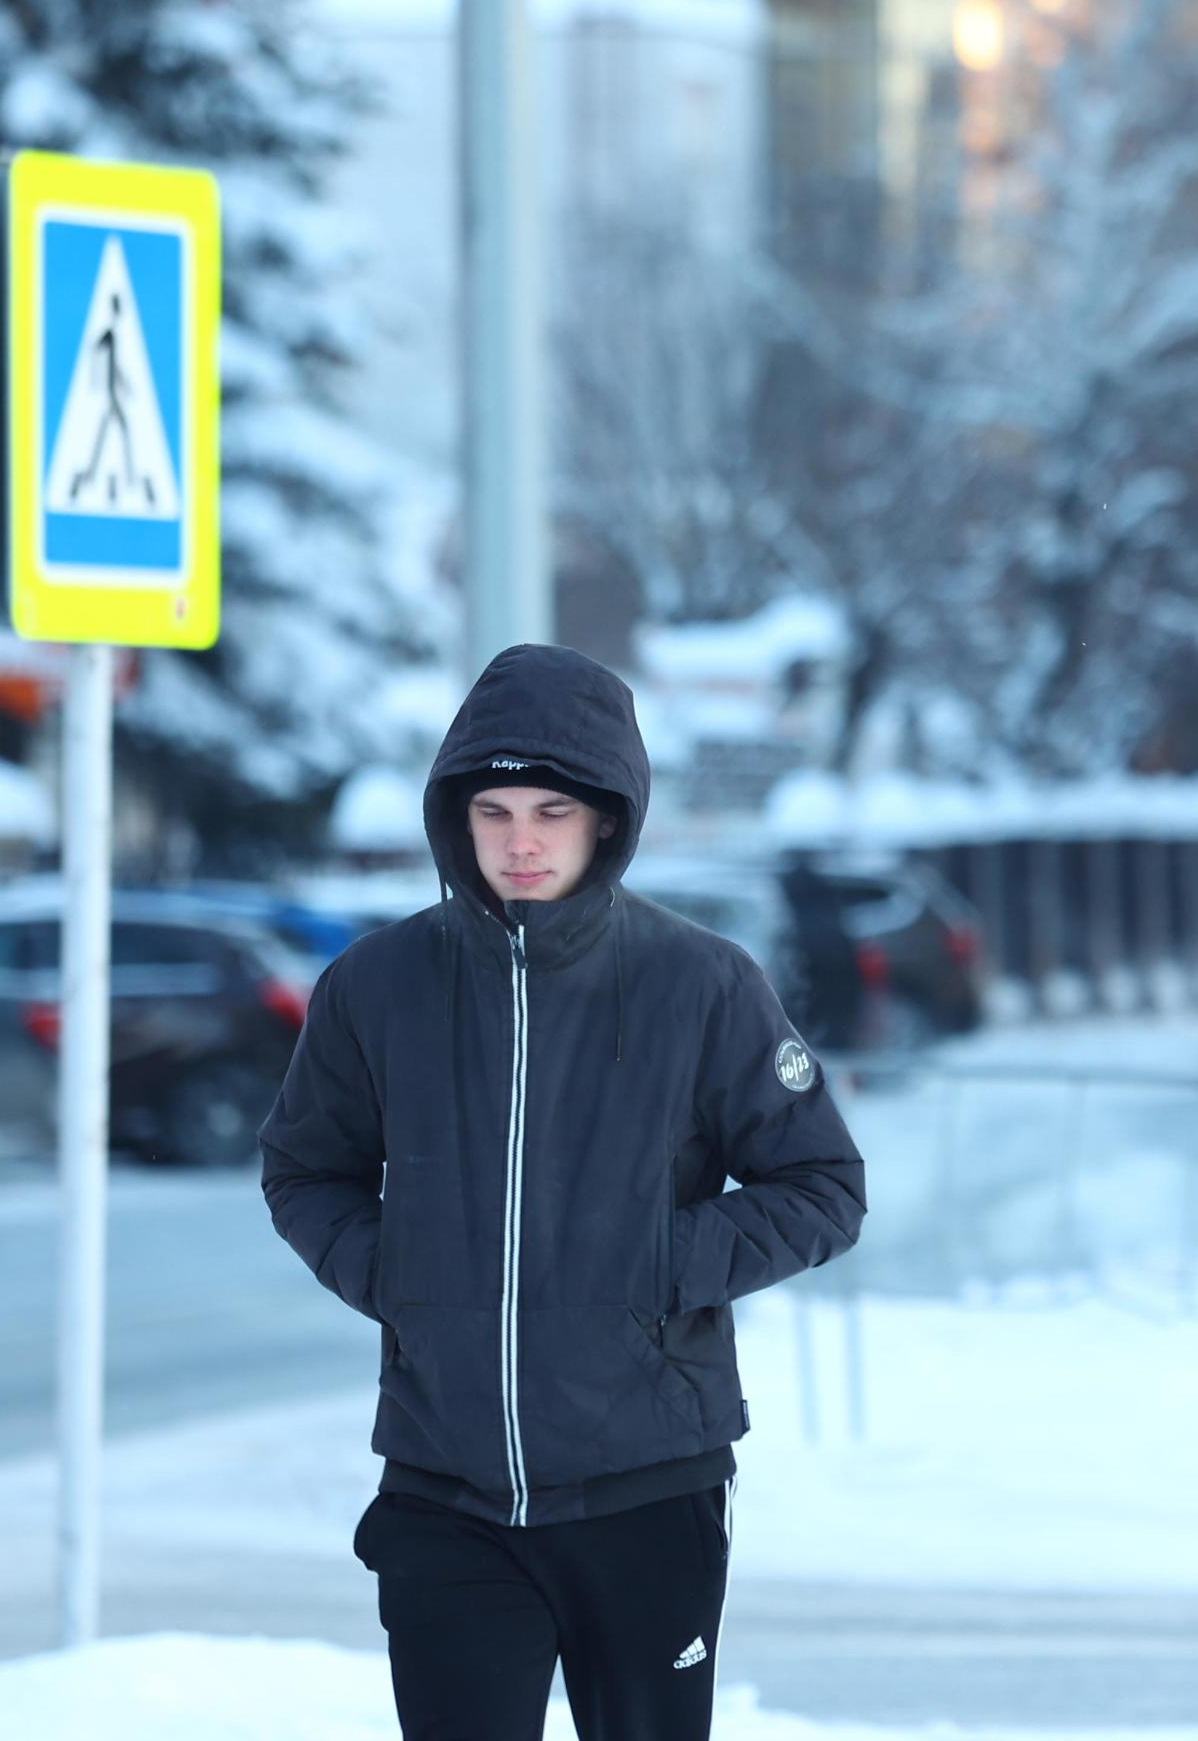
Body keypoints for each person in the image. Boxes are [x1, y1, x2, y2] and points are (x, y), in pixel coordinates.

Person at [262, 643, 867, 1741]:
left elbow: (822, 1183)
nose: (521, 838)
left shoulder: (703, 983)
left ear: (607, 817)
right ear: (458, 816)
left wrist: (661, 1262)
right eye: (493, 810)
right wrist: (396, 1271)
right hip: (445, 1490)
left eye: (550, 807)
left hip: (647, 1488)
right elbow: (306, 1168)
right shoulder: (378, 986)